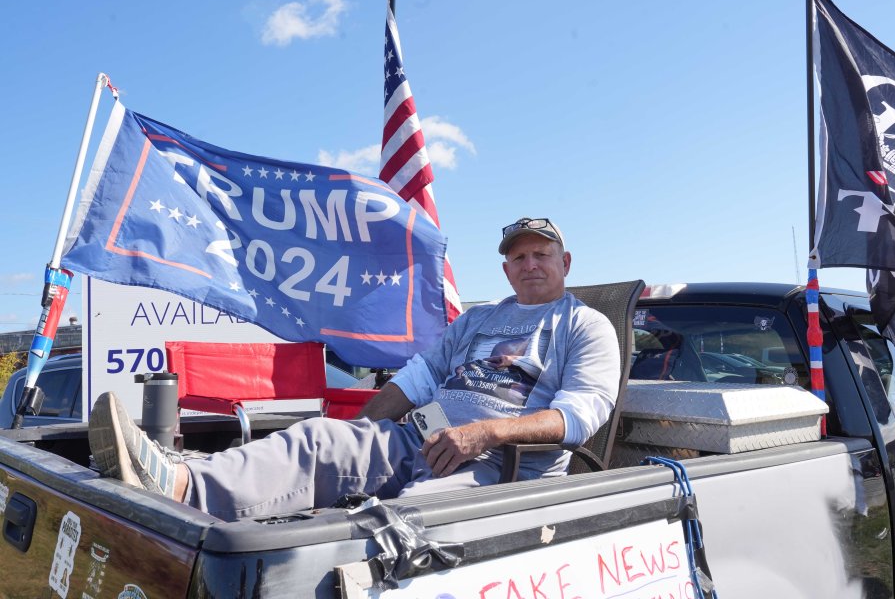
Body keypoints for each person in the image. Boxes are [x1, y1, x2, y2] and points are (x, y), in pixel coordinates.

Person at [89, 217, 620, 521]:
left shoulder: (585, 325)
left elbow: (578, 418)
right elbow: (416, 380)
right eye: (519, 258)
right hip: (426, 439)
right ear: (506, 268)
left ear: (564, 262)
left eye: (541, 254)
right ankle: (179, 483)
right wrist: (359, 434)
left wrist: (486, 433)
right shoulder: (479, 320)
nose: (530, 265)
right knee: (320, 440)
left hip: (501, 465)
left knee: (396, 526)